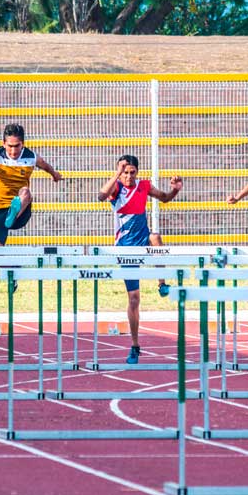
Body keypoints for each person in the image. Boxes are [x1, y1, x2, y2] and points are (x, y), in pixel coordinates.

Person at [98, 155, 183, 365]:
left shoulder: (144, 186)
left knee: (155, 237)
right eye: (125, 172)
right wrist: (116, 173)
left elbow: (164, 197)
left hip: (143, 241)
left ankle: (162, 283)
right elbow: (101, 196)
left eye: (132, 172)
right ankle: (135, 345)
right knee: (134, 299)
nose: (128, 176)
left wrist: (175, 189)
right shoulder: (116, 189)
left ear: (137, 172)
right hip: (126, 249)